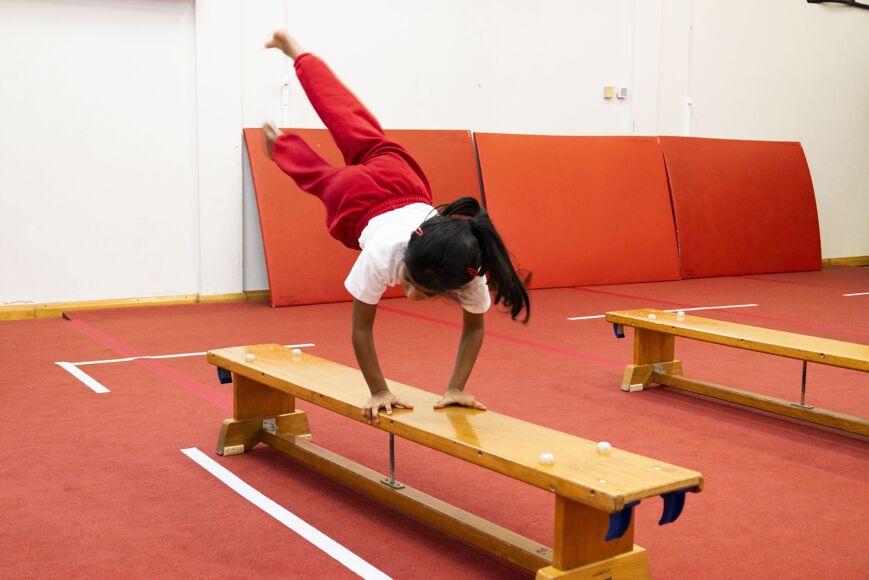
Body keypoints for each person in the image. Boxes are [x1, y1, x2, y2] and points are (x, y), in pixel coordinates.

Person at [262, 30, 529, 424]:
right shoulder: (382, 255)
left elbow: (474, 328)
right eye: (410, 281)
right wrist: (379, 390)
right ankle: (281, 146)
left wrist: (455, 388)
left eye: (423, 292)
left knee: (349, 117)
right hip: (357, 204)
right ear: (407, 253)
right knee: (321, 176)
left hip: (404, 178)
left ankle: (296, 52)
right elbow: (361, 330)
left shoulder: (467, 267)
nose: (410, 293)